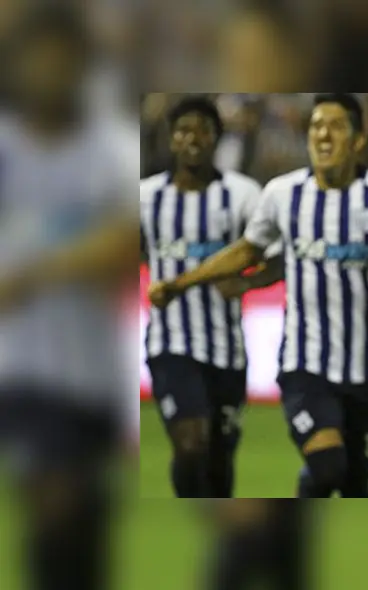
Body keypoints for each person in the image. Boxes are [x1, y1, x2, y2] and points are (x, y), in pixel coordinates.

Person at [148, 93, 368, 498]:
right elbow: (251, 250)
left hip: (364, 369)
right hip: (303, 365)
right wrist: (184, 283)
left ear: (358, 140)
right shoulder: (283, 194)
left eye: (335, 126)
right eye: (316, 126)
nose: (323, 134)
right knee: (327, 467)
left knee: (355, 486)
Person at [0, 6, 135, 589]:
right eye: (40, 59)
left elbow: (124, 244)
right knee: (52, 510)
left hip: (91, 373)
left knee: (84, 528)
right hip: (23, 371)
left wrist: (34, 271)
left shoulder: (110, 148)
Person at [140, 95, 280, 498]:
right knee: (190, 444)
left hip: (226, 349)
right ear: (171, 139)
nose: (193, 138)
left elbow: (277, 256)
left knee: (218, 463)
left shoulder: (242, 195)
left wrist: (251, 283)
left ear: (217, 137)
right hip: (171, 345)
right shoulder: (146, 197)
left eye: (203, 129)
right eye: (183, 129)